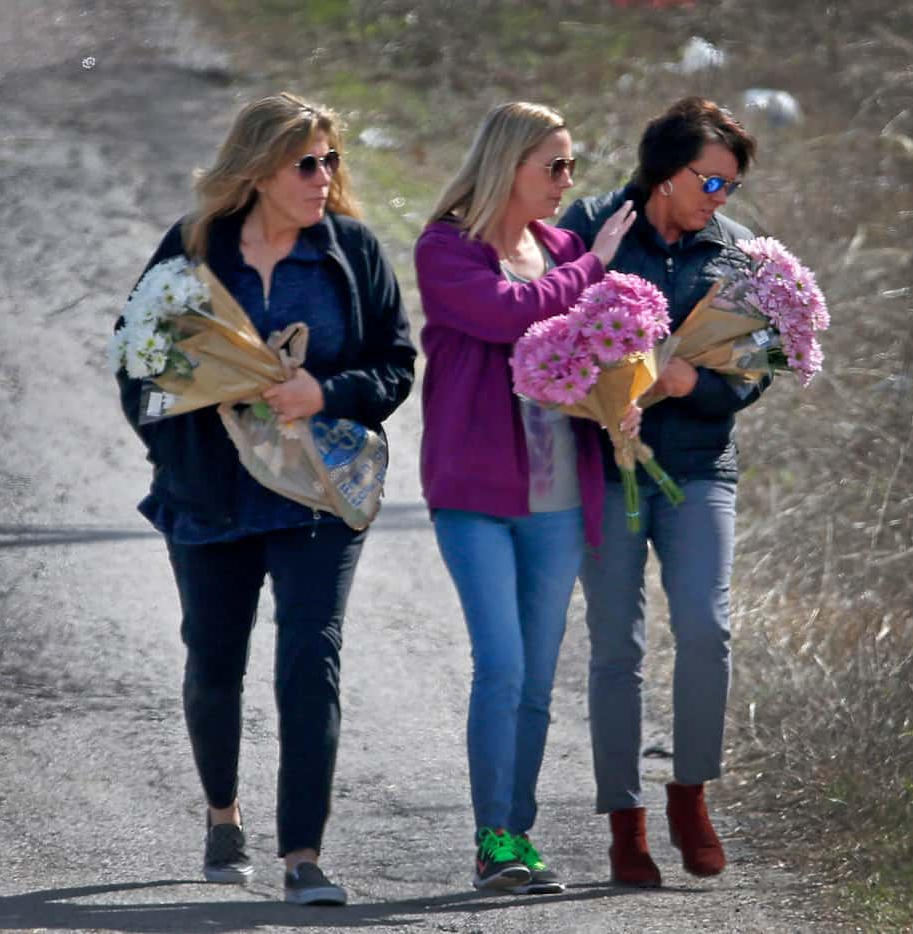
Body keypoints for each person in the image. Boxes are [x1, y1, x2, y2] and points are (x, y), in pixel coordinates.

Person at [114, 92, 415, 906]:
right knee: (215, 663)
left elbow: (395, 364)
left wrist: (328, 393)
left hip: (317, 495)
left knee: (309, 660)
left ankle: (303, 858)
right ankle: (223, 815)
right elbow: (138, 362)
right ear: (258, 170)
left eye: (332, 162)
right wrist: (177, 453)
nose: (325, 178)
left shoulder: (350, 251)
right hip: (209, 495)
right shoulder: (193, 247)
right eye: (307, 163)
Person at [415, 102, 635, 894]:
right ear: (508, 165)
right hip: (473, 494)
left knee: (539, 677)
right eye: (555, 166)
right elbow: (503, 314)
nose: (568, 183)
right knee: (501, 664)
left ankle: (517, 836)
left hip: (558, 500)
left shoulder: (562, 248)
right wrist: (596, 266)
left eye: (571, 166)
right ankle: (491, 839)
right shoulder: (446, 247)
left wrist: (625, 393)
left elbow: (601, 350)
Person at [558, 96, 768, 886]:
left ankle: (690, 793)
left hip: (700, 464)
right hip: (606, 465)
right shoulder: (594, 230)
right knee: (616, 647)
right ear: (665, 172)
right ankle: (626, 822)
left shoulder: (741, 254)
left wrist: (692, 384)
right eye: (711, 183)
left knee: (707, 628)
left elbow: (753, 375)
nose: (721, 201)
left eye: (732, 189)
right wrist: (607, 389)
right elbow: (549, 336)